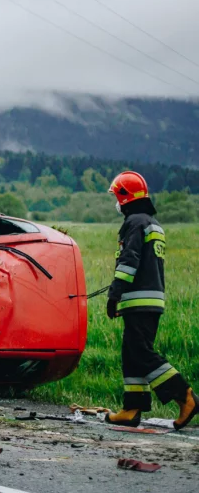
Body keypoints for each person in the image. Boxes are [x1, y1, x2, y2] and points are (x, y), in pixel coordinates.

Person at [105, 171, 196, 429]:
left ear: (125, 197)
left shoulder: (134, 222)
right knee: (132, 352)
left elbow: (129, 260)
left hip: (138, 300)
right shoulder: (152, 223)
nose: (116, 203)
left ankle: (185, 395)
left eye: (117, 196)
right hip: (151, 299)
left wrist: (114, 294)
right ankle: (132, 408)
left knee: (142, 353)